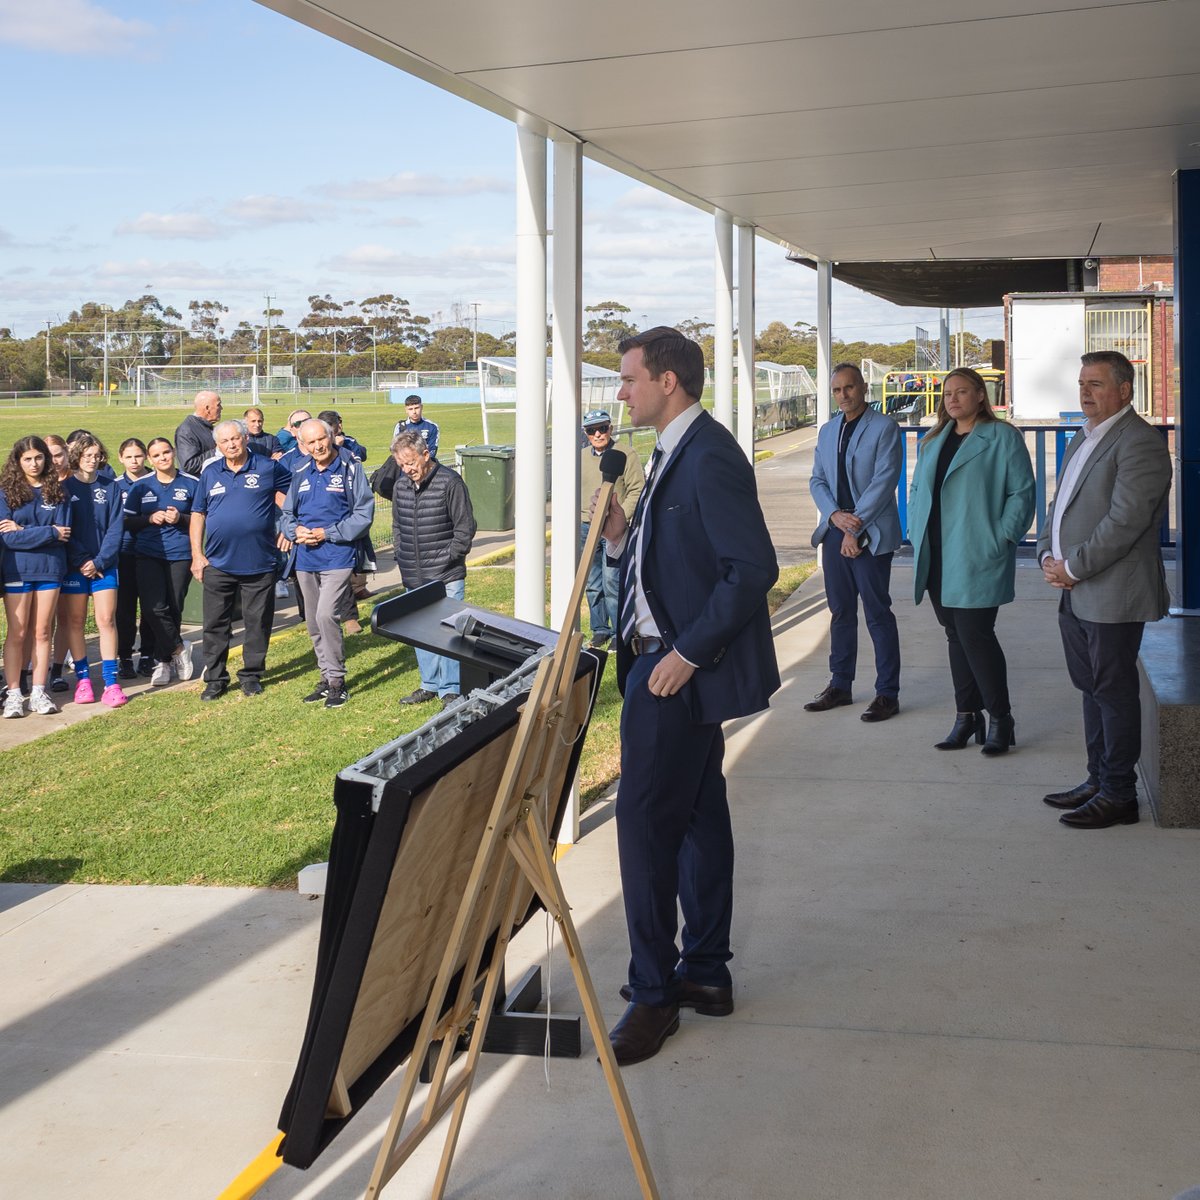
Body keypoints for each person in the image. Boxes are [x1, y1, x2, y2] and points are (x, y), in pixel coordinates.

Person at [595, 327, 779, 1066]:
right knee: (701, 819)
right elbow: (673, 556)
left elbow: (751, 567)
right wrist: (618, 540)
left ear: (667, 380)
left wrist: (686, 653)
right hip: (661, 661)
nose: (621, 392)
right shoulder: (670, 451)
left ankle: (653, 992)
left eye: (629, 379)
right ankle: (703, 971)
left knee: (641, 830)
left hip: (673, 673)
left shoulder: (709, 454)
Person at [1037, 350, 1172, 829]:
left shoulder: (1140, 442)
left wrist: (1072, 566)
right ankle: (1098, 778)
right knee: (1091, 688)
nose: (1085, 392)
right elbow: (1061, 505)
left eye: (1095, 383)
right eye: (1081, 383)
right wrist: (1046, 555)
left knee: (1113, 692)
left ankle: (1119, 794)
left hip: (1112, 590)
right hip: (1074, 587)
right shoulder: (1086, 435)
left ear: (1125, 390)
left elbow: (1125, 522)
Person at [907, 368, 1035, 754]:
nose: (953, 399)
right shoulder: (933, 441)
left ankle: (1000, 718)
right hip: (936, 553)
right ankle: (966, 716)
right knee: (954, 636)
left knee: (976, 636)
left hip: (977, 551)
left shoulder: (1001, 437)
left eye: (962, 392)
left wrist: (1003, 536)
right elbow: (916, 490)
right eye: (948, 393)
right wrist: (915, 530)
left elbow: (1022, 492)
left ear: (981, 395)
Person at [806, 362, 903, 722]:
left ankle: (887, 694)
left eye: (849, 388)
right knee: (841, 611)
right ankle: (840, 685)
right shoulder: (828, 431)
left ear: (863, 388)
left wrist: (854, 528)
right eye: (836, 390)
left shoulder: (884, 427)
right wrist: (834, 517)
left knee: (877, 613)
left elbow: (885, 480)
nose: (843, 395)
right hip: (836, 529)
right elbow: (817, 480)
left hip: (870, 531)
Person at [189, 419, 292, 699]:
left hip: (259, 563)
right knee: (215, 625)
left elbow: (292, 495)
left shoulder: (267, 467)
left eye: (235, 438)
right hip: (218, 564)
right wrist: (197, 555)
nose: (231, 444)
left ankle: (251, 675)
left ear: (245, 438)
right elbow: (198, 514)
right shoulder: (210, 473)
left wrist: (288, 527)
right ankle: (215, 678)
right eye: (225, 441)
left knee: (257, 623)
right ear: (217, 446)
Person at [280, 418, 374, 708]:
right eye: (311, 442)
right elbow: (286, 514)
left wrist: (328, 533)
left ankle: (337, 681)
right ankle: (325, 676)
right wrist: (294, 531)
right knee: (312, 620)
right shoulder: (301, 472)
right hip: (305, 559)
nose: (318, 445)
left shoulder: (350, 468)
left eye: (322, 438)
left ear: (331, 436)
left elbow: (363, 514)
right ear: (302, 445)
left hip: (338, 555)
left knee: (325, 615)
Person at [383, 430, 476, 709]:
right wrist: (401, 554)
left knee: (448, 631)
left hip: (446, 574)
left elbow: (465, 528)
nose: (407, 469)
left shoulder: (450, 482)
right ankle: (430, 684)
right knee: (420, 631)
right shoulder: (400, 487)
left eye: (411, 462)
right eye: (401, 464)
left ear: (426, 455)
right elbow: (398, 526)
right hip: (413, 573)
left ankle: (451, 688)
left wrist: (448, 558)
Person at [0, 436, 71, 717]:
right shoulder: (6, 492)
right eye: (27, 459)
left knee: (42, 632)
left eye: (39, 457)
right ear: (18, 462)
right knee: (17, 632)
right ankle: (15, 693)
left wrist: (24, 531)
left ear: (46, 458)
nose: (34, 463)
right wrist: (48, 532)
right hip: (17, 570)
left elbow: (64, 533)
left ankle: (39, 692)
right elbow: (7, 539)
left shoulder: (59, 492)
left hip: (50, 569)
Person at [60, 434, 128, 707]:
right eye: (87, 455)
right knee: (75, 623)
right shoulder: (64, 487)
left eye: (97, 455)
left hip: (104, 566)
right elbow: (65, 529)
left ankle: (111, 683)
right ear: (77, 456)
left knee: (106, 620)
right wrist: (82, 561)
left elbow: (116, 528)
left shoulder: (110, 487)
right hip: (76, 567)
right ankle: (84, 681)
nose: (92, 459)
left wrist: (99, 561)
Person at [125, 438, 198, 688]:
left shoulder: (190, 483)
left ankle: (164, 662)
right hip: (148, 553)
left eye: (166, 452)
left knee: (174, 606)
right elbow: (127, 522)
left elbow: (201, 520)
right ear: (150, 459)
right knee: (152, 608)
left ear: (174, 453)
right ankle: (178, 648)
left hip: (180, 553)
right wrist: (149, 519)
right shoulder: (140, 486)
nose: (163, 458)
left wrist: (181, 518)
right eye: (156, 455)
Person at [579, 408, 643, 649]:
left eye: (602, 428)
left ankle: (619, 632)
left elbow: (637, 488)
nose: (598, 434)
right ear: (585, 433)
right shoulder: (581, 457)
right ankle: (599, 629)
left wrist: (622, 518)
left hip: (614, 529)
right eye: (592, 430)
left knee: (612, 581)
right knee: (592, 582)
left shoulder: (626, 454)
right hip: (586, 527)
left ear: (610, 429)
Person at [113, 438, 156, 678]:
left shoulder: (155, 481)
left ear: (146, 457)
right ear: (120, 458)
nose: (134, 461)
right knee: (125, 609)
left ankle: (148, 654)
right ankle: (125, 657)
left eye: (138, 456)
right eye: (128, 457)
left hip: (151, 554)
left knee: (151, 607)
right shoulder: (115, 485)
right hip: (124, 554)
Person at [174, 390, 222, 475]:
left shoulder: (205, 426)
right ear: (207, 409)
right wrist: (218, 451)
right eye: (218, 405)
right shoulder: (187, 430)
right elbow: (189, 465)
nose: (221, 408)